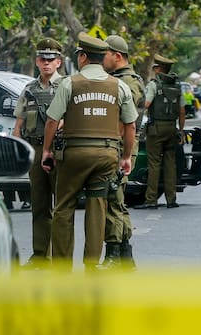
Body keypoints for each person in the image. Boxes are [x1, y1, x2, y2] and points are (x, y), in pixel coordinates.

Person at [41, 32, 137, 271]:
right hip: (106, 156)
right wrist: (126, 157)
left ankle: (62, 267)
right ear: (103, 58)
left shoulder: (68, 83)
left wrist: (46, 151)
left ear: (82, 57)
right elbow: (130, 125)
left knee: (63, 207)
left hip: (73, 155)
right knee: (97, 207)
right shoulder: (120, 86)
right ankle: (92, 265)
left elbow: (52, 121)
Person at [12, 37, 64, 268]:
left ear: (58, 62)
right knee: (40, 204)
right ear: (36, 61)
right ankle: (40, 254)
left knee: (62, 206)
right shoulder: (29, 89)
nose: (46, 63)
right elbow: (19, 124)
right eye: (43, 59)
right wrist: (17, 148)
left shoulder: (67, 86)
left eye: (51, 59)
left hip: (59, 149)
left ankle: (60, 256)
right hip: (34, 148)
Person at [100, 34, 144, 270]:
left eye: (104, 54)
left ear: (117, 56)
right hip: (118, 146)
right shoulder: (120, 79)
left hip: (120, 146)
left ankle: (114, 254)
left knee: (112, 199)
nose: (101, 59)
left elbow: (127, 121)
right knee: (116, 199)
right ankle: (125, 256)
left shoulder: (126, 82)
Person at [134, 55, 185, 209]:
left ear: (158, 69)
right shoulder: (177, 86)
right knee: (170, 164)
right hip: (172, 128)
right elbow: (182, 112)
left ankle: (151, 200)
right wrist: (181, 131)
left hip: (156, 130)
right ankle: (171, 199)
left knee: (154, 164)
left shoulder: (154, 85)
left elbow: (146, 104)